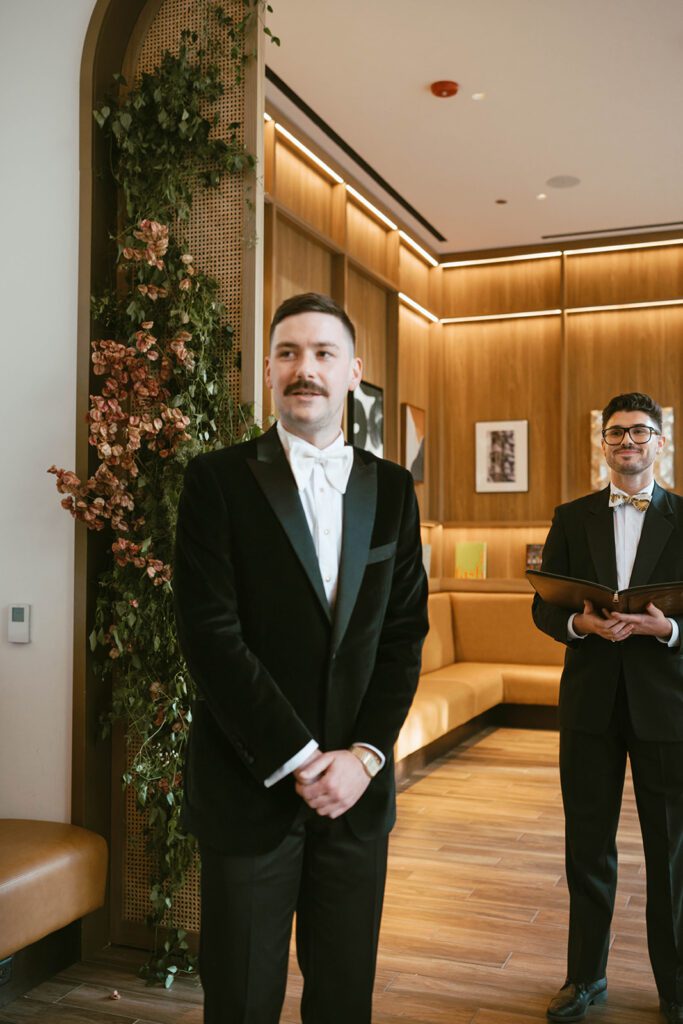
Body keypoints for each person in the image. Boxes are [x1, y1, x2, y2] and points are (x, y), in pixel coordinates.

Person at [173, 292, 429, 1024]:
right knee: (241, 1000)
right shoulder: (215, 480)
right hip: (248, 786)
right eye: (287, 353)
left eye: (321, 354)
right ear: (267, 372)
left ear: (353, 372)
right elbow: (210, 636)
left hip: (357, 795)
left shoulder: (392, 491)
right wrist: (298, 755)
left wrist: (365, 757)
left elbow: (403, 634)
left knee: (344, 1000)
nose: (303, 369)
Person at [532, 392, 683, 1024]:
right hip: (590, 703)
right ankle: (584, 978)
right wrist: (579, 623)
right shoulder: (571, 517)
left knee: (671, 853)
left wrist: (666, 631)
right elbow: (544, 604)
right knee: (587, 846)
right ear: (603, 442)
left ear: (659, 441)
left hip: (667, 707)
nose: (628, 442)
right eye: (617, 432)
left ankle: (675, 989)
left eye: (640, 432)